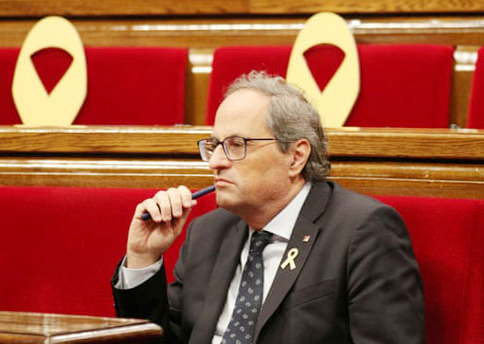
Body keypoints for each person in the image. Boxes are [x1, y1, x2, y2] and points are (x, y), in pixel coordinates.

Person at [112, 71, 424, 343]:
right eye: (214, 146)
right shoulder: (208, 232)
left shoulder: (363, 231)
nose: (217, 162)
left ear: (296, 156)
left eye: (236, 145)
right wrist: (143, 257)